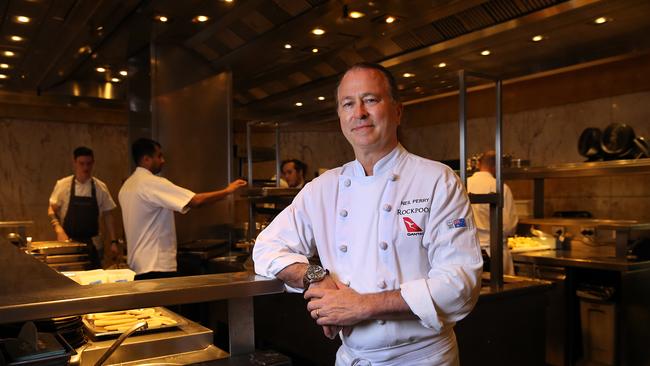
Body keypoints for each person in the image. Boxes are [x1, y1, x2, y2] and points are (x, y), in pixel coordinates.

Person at [253, 63, 483, 365]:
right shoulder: (323, 188)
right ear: (340, 117)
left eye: (371, 100)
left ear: (398, 111)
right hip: (353, 357)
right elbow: (266, 247)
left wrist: (362, 306)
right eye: (348, 104)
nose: (359, 112)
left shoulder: (436, 180)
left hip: (421, 359)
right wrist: (314, 277)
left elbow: (461, 284)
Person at [118, 138, 247, 280]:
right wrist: (228, 191)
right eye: (159, 156)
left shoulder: (127, 186)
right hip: (156, 266)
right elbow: (195, 201)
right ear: (146, 159)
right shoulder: (150, 183)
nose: (163, 160)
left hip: (138, 266)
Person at [48, 146, 119, 269]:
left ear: (93, 163)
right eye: (82, 164)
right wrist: (58, 230)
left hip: (93, 244)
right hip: (68, 244)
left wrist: (113, 242)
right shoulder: (63, 185)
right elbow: (51, 209)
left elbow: (108, 215)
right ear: (74, 163)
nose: (86, 168)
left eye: (89, 164)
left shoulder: (100, 187)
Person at [467, 150, 519, 275]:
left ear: (479, 164)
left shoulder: (463, 184)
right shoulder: (500, 187)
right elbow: (509, 226)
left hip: (469, 253)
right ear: (496, 167)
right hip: (494, 253)